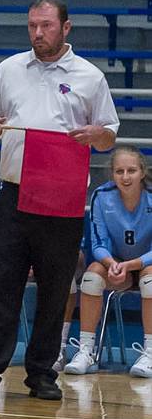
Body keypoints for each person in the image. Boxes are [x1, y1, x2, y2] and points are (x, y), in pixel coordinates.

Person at [0, 0, 119, 402]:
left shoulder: (89, 76)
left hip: (62, 197)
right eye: (32, 25)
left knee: (53, 291)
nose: (38, 33)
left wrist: (97, 136)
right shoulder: (8, 69)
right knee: (2, 288)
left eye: (46, 25)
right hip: (14, 193)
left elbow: (109, 134)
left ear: (66, 28)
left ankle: (43, 373)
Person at [62, 145, 152, 378]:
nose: (125, 177)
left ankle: (150, 352)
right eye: (119, 171)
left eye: (131, 170)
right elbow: (98, 243)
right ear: (112, 174)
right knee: (91, 276)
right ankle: (86, 351)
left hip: (145, 265)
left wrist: (132, 265)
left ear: (142, 172)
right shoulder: (102, 196)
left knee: (150, 278)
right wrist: (111, 263)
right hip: (116, 265)